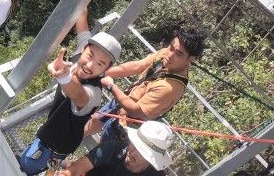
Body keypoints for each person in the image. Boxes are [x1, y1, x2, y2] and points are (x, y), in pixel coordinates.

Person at [17, 4, 122, 175]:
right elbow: (82, 19)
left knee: (28, 165)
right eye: (90, 56)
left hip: (59, 143)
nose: (90, 65)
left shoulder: (94, 93)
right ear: (84, 49)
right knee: (32, 154)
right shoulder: (82, 53)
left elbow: (79, 94)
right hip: (52, 127)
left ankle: (48, 165)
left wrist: (64, 76)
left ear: (105, 70)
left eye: (100, 64)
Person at [82, 25, 205, 164]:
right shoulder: (166, 54)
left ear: (190, 60)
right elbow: (138, 66)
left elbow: (136, 111)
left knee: (97, 160)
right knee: (84, 127)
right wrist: (102, 72)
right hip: (121, 102)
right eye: (171, 48)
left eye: (179, 54)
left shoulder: (171, 88)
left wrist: (111, 86)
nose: (170, 55)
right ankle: (62, 143)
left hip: (125, 126)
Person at [55, 121, 175, 176]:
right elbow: (77, 169)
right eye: (134, 144)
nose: (132, 151)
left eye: (142, 151)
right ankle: (59, 161)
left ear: (152, 160)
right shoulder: (113, 148)